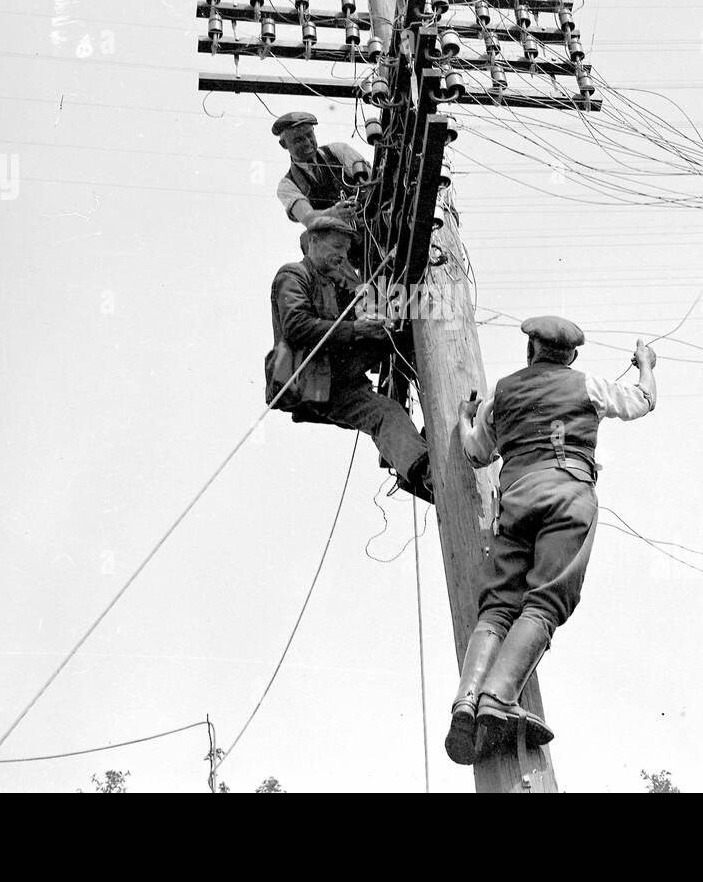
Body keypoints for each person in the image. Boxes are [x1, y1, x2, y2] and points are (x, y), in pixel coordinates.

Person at [445, 315, 658, 764]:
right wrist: (645, 365)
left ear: (530, 351)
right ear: (572, 356)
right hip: (568, 497)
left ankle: (468, 698)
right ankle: (498, 699)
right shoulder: (589, 385)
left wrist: (465, 421)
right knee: (545, 602)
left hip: (517, 500)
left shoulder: (502, 393)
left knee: (499, 604)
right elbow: (643, 401)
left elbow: (476, 453)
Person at [265, 214, 433, 503]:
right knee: (393, 333)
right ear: (314, 242)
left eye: (345, 250)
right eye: (337, 247)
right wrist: (357, 328)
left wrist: (375, 314)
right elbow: (296, 325)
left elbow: (361, 303)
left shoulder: (334, 282)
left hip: (338, 380)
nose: (342, 256)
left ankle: (421, 474)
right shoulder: (292, 275)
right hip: (311, 378)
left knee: (386, 412)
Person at [271, 111, 372, 231]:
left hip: (371, 218)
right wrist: (334, 213)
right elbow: (308, 219)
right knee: (307, 239)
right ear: (284, 144)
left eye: (309, 135)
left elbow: (372, 180)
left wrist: (360, 200)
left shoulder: (339, 150)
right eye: (298, 140)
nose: (308, 143)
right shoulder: (287, 186)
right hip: (338, 240)